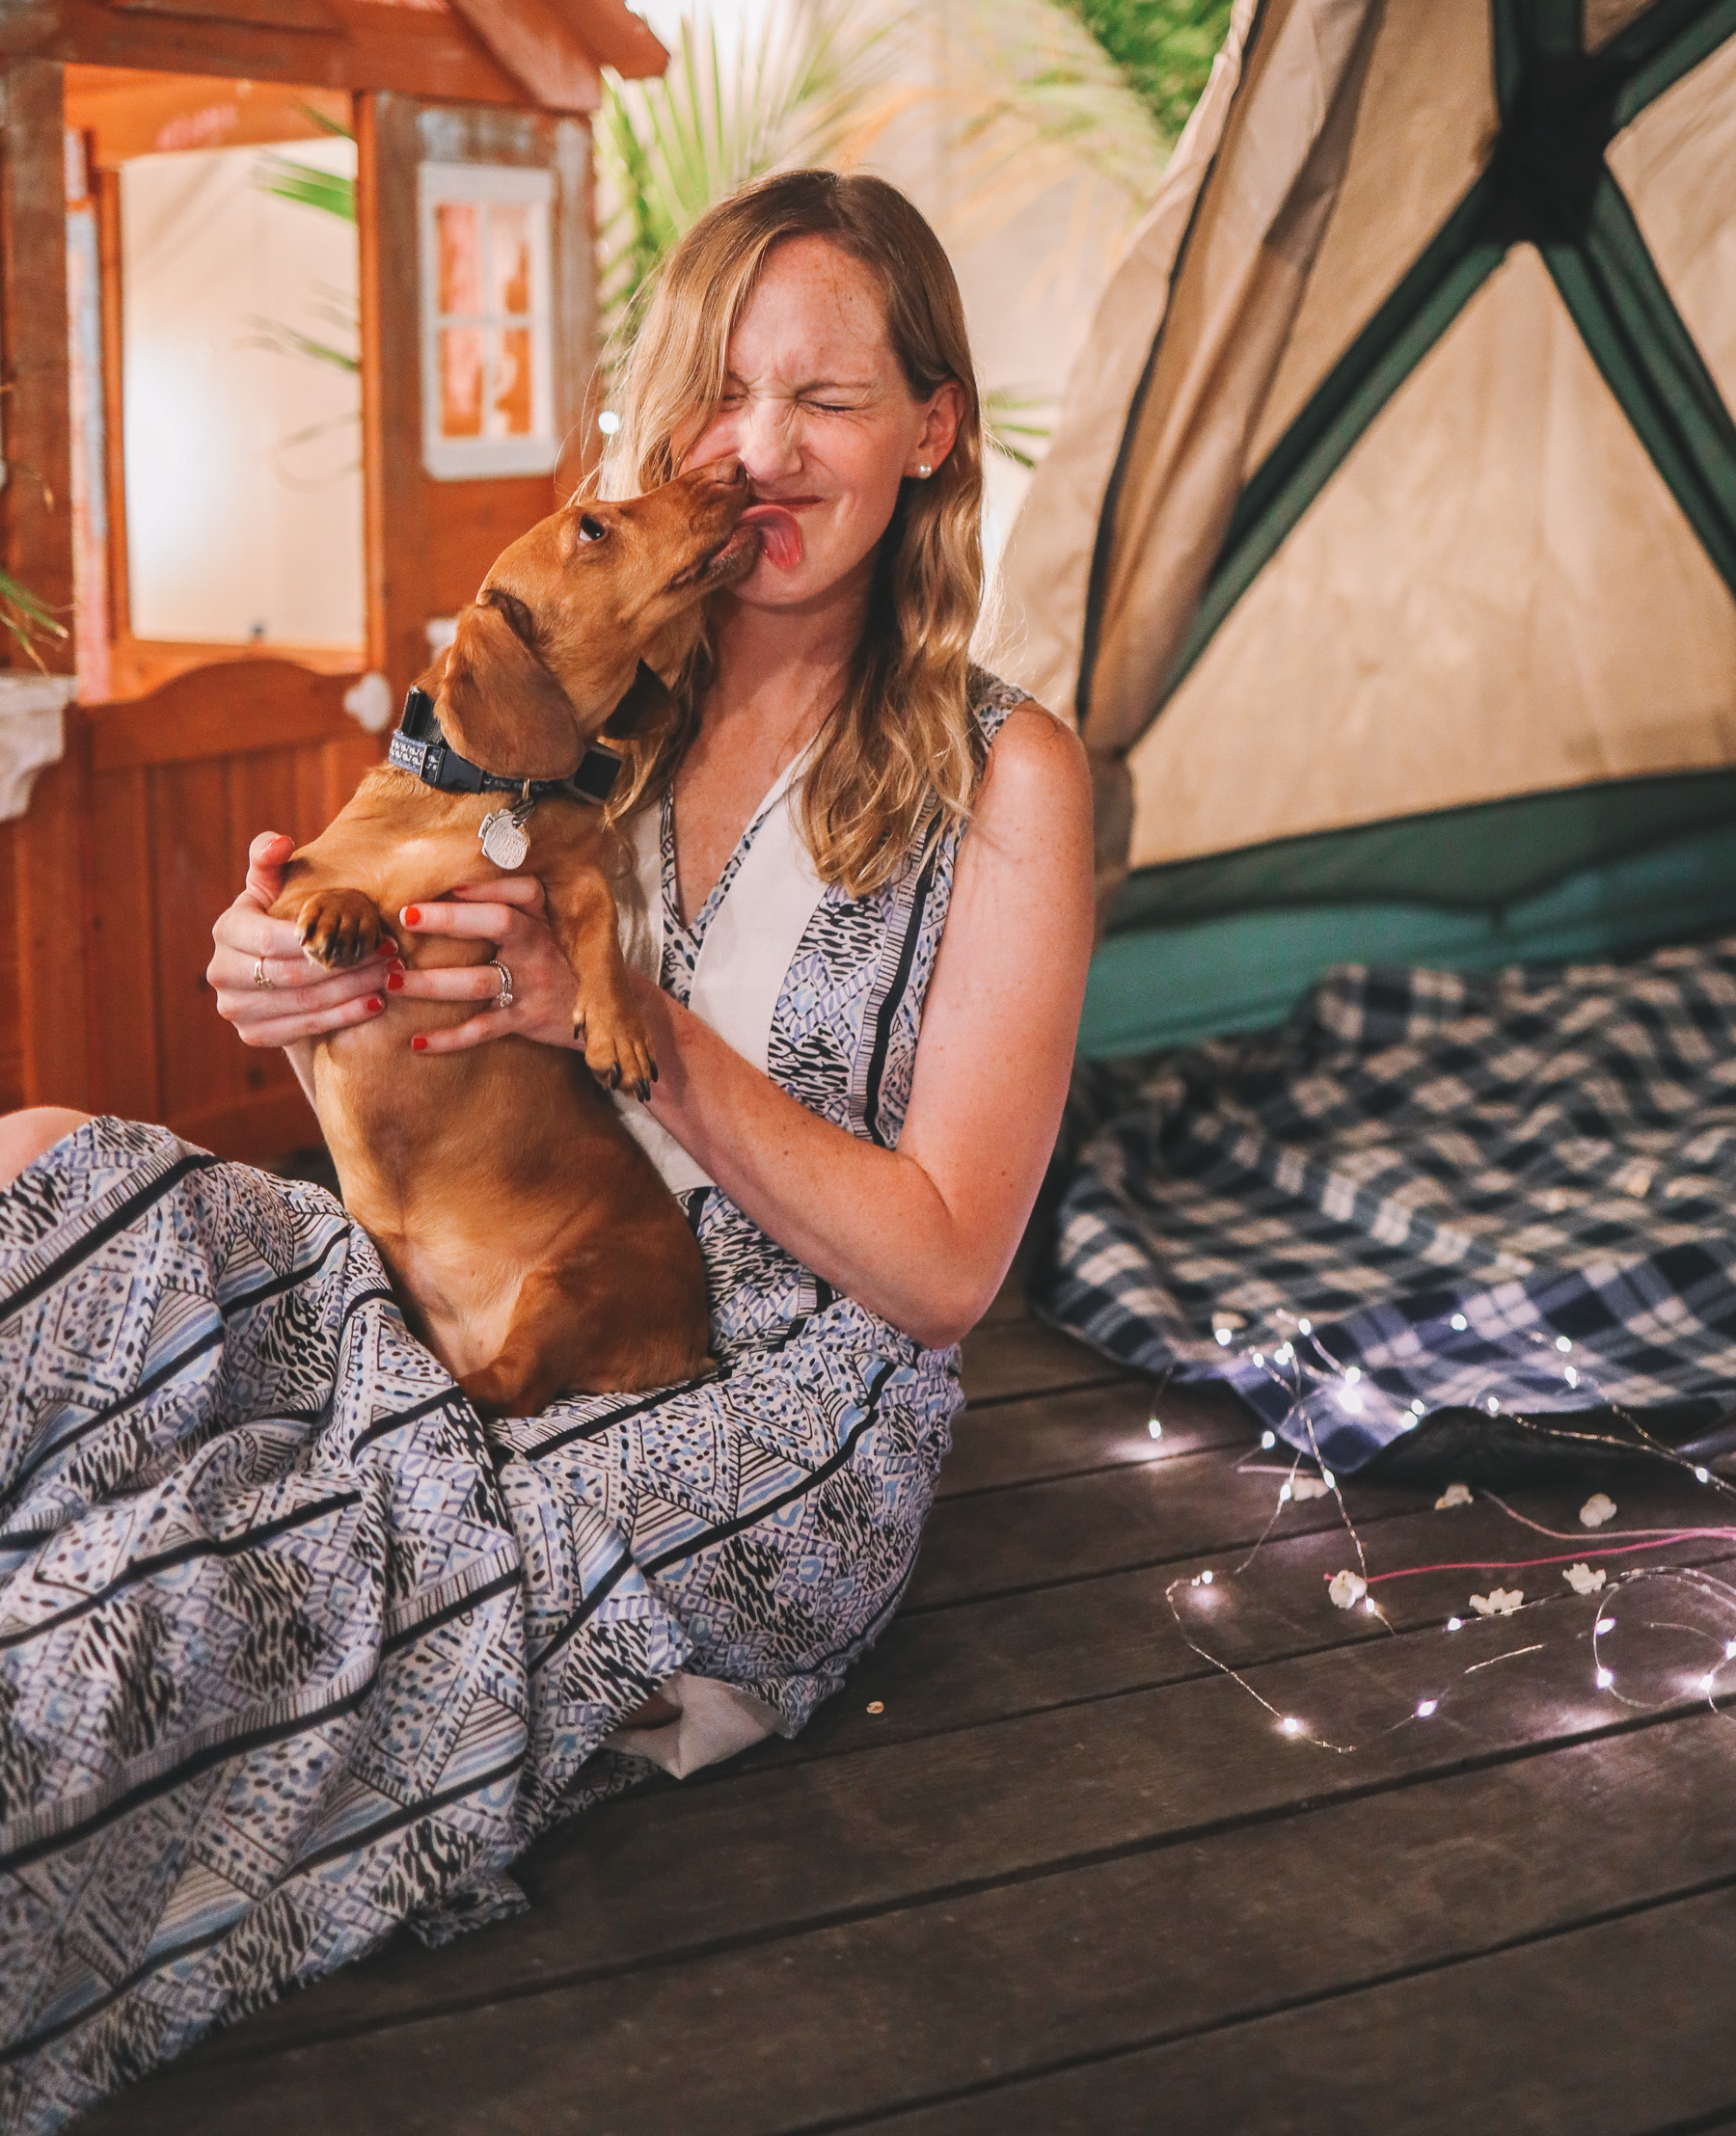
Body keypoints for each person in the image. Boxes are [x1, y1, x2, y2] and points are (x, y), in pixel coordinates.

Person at [0, 172, 1093, 2126]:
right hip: (467, 1260)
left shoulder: (1004, 773)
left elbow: (941, 1275)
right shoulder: (594, 691)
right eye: (733, 393)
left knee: (198, 1602)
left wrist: (629, 1039)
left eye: (831, 398)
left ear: (934, 428)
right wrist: (278, 972)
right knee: (49, 1173)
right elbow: (377, 917)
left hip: (756, 1389)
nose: (763, 451)